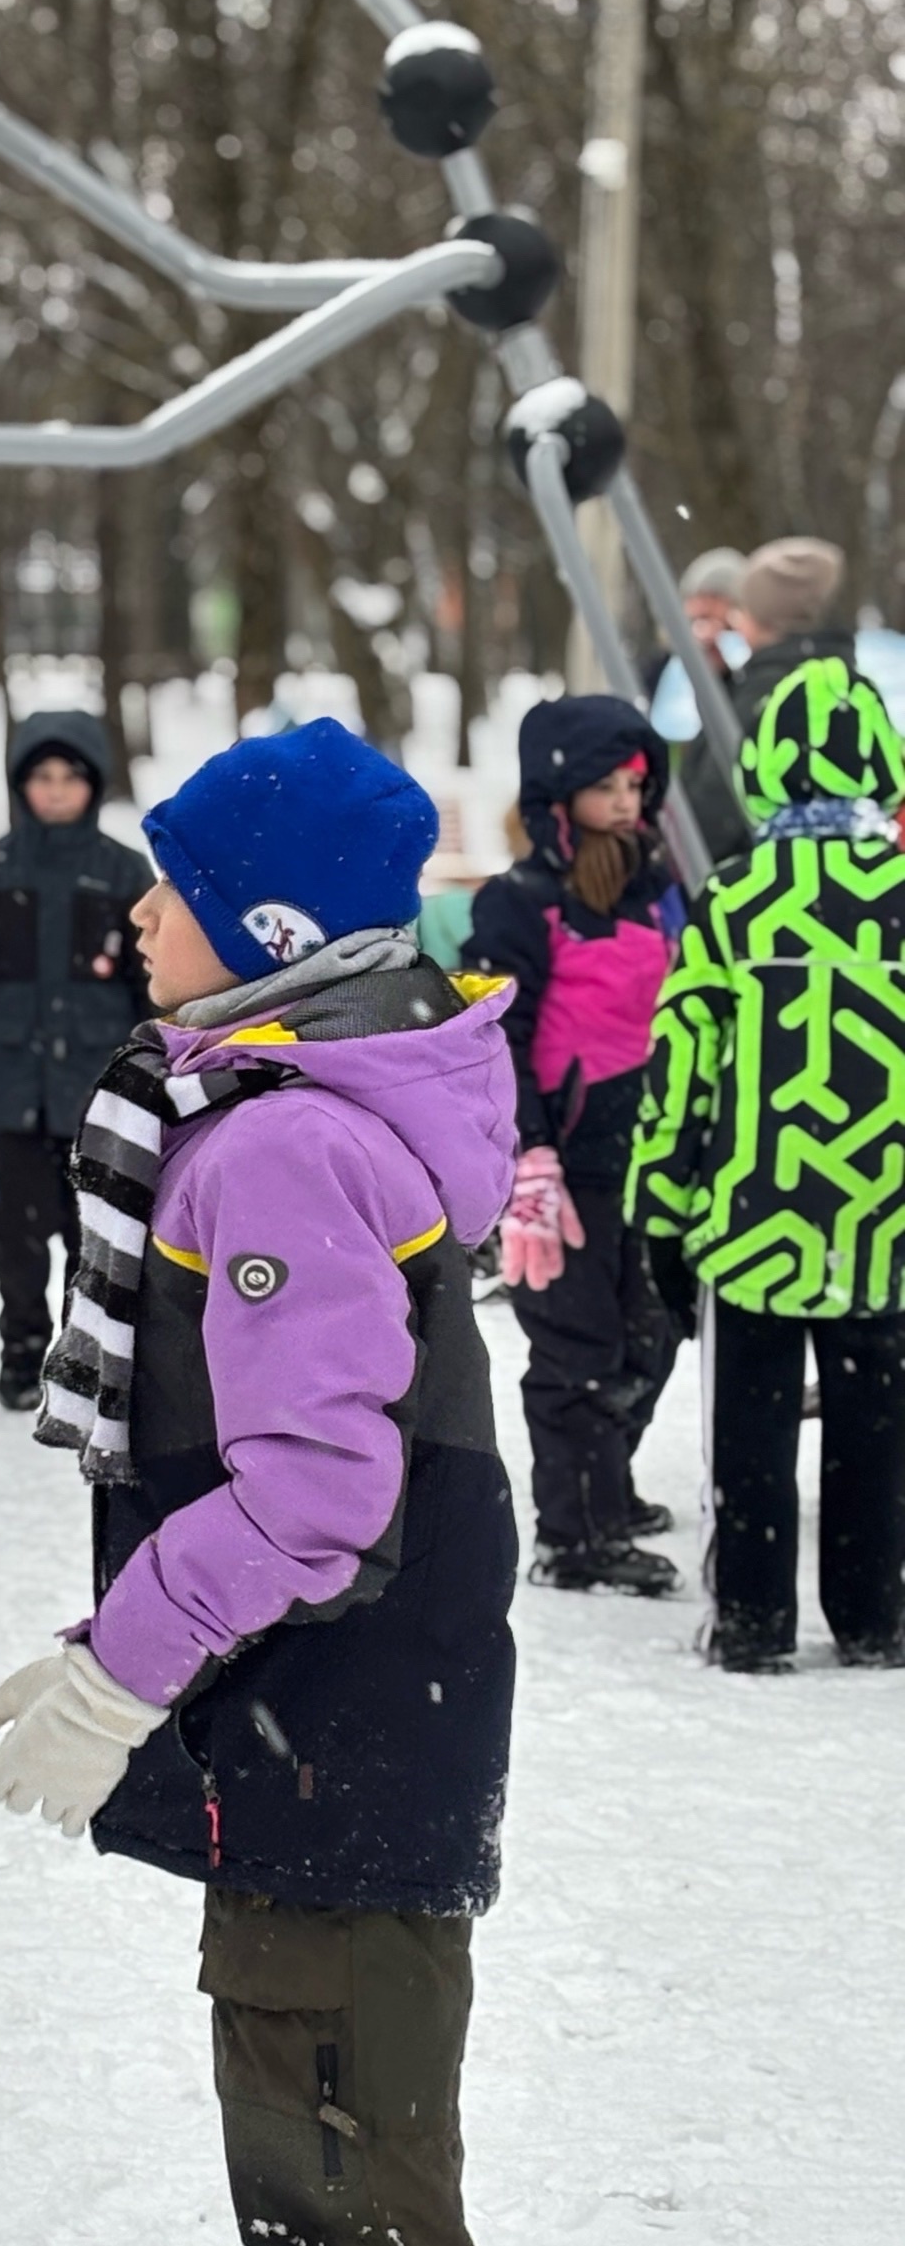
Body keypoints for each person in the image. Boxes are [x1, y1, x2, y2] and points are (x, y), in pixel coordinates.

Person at [0, 720, 518, 2246]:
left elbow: (315, 1494)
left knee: (333, 2142)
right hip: (342, 1714)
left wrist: (115, 1675)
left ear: (272, 936)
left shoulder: (283, 1144)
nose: (138, 914)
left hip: (344, 1721)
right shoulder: (288, 1107)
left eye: (175, 890)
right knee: (322, 2122)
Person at [629, 656, 905, 1672]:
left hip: (753, 1217)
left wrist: (659, 1213)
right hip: (883, 1222)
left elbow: (682, 1070)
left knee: (750, 1433)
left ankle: (752, 1620)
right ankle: (875, 1615)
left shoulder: (734, 898)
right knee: (878, 1433)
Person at [462, 698, 682, 1595]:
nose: (626, 801)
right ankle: (576, 1532)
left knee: (652, 1336)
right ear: (560, 795)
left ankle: (606, 1490)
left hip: (649, 1155)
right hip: (560, 1164)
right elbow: (495, 1038)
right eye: (605, 785)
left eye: (635, 783)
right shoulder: (521, 903)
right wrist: (528, 1155)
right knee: (577, 1351)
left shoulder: (660, 890)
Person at [0, 710, 150, 1411]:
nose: (56, 791)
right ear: (21, 785)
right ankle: (21, 1354)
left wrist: (155, 1076)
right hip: (14, 1086)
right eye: (42, 777)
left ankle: (83, 1365)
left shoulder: (122, 872)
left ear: (95, 785)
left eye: (70, 778)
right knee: (19, 1237)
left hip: (97, 1093)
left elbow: (153, 986)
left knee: (94, 1239)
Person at [677, 536, 851, 866]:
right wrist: (720, 681)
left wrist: (678, 854)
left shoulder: (771, 686)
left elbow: (722, 790)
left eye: (741, 610)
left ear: (763, 619)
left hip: (757, 871)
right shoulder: (823, 673)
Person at [639, 544, 747, 706]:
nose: (701, 608)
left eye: (713, 597)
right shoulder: (665, 663)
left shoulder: (752, 656)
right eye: (698, 598)